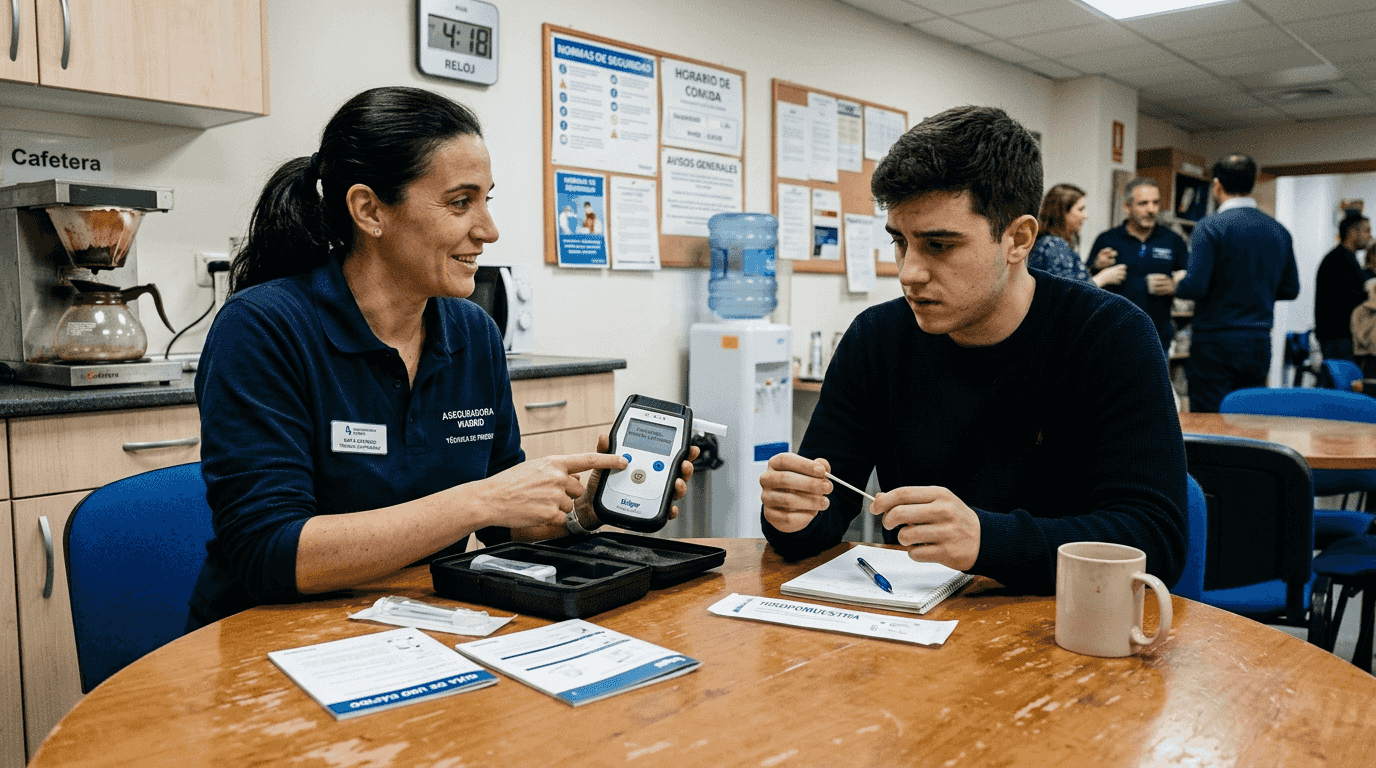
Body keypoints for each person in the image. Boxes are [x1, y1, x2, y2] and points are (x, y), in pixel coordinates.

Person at [189, 87, 695, 627]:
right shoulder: (262, 328)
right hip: (270, 641)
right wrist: (479, 502)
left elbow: (504, 524)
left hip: (420, 624)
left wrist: (584, 509)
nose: (488, 230)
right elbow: (270, 553)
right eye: (460, 202)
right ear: (369, 210)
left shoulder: (473, 332)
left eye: (487, 201)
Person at [757, 105, 1187, 595]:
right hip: (919, 627)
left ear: (1019, 239)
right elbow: (821, 519)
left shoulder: (1110, 335)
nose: (908, 273)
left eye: (939, 245)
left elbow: (1157, 541)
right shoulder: (876, 339)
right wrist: (793, 516)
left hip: (1066, 629)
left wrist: (987, 539)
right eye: (901, 242)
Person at [1175, 154, 1299, 413]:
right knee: (1249, 417)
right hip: (1257, 340)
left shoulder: (1210, 227)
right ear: (1252, 184)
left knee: (1210, 420)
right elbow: (1290, 288)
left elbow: (1195, 287)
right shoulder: (1278, 230)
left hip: (1214, 341)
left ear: (1217, 185)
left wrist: (1179, 281)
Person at [1087, 178, 1190, 351]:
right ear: (1127, 208)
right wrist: (1096, 266)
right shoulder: (1108, 239)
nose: (1151, 209)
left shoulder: (1173, 240)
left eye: (1155, 203)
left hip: (1157, 339)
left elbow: (1191, 278)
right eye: (1143, 204)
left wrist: (1175, 285)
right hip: (1114, 337)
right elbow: (1085, 281)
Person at [1027, 183, 1125, 288]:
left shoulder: (1052, 242)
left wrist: (1095, 267)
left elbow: (1072, 278)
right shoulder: (1052, 245)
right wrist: (1103, 278)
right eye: (1080, 209)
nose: (1086, 215)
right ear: (1062, 212)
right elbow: (1067, 294)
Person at [1315, 213, 1373, 361]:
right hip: (1338, 338)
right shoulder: (1338, 261)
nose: (1369, 236)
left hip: (1342, 337)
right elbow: (1348, 298)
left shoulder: (1348, 259)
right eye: (1366, 231)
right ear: (1353, 233)